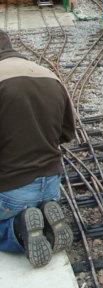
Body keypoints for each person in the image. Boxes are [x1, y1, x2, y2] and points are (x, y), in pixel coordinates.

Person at [0, 31, 75, 267]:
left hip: (11, 190)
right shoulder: (49, 76)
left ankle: (18, 227)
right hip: (51, 181)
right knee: (40, 205)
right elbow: (66, 134)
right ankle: (46, 216)